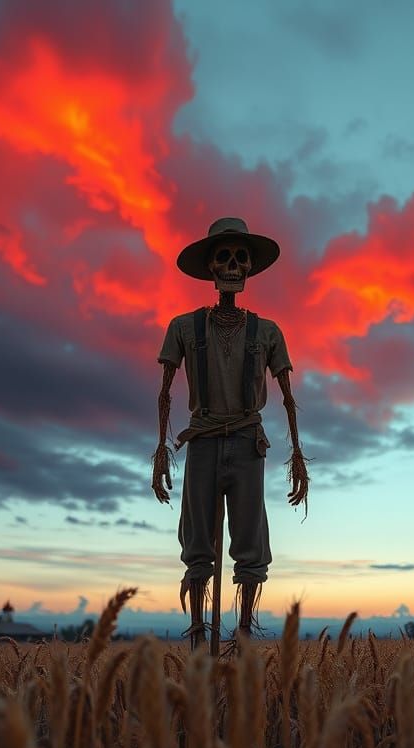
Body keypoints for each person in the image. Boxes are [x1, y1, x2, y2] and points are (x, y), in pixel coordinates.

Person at [151, 216, 309, 648]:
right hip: (201, 440)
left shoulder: (268, 331)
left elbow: (288, 396)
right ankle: (199, 632)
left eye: (241, 259)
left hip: (246, 441)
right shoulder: (183, 328)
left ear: (250, 268)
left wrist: (298, 457)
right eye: (226, 258)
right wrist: (161, 451)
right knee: (197, 538)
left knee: (250, 536)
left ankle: (242, 629)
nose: (233, 267)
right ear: (212, 268)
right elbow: (164, 393)